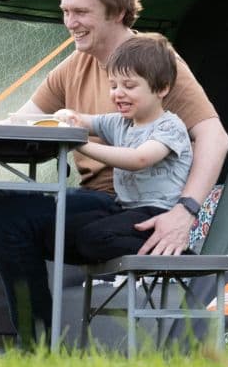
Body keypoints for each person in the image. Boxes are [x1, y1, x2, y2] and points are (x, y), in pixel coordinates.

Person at [0, 0, 228, 348]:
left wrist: (185, 212)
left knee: (8, 219)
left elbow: (215, 137)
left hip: (129, 206)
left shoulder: (152, 62)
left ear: (115, 11)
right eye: (65, 11)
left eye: (80, 12)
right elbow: (22, 122)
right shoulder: (73, 65)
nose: (70, 23)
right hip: (90, 200)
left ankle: (39, 349)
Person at [54, 33, 193, 262]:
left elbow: (139, 159)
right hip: (126, 211)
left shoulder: (170, 126)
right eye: (113, 85)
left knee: (93, 238)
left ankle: (178, 256)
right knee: (64, 230)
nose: (118, 93)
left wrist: (80, 143)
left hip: (158, 213)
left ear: (161, 89)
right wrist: (66, 117)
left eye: (128, 86)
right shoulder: (120, 122)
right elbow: (82, 120)